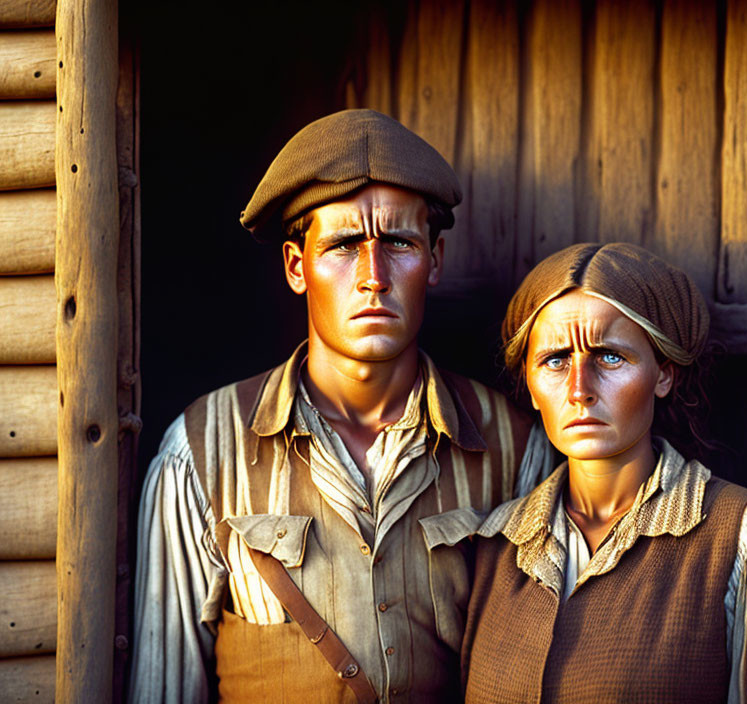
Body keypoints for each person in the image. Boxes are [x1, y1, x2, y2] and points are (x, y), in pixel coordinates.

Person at [129, 109, 552, 704]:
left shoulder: (515, 447)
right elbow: (164, 687)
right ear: (297, 267)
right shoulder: (199, 452)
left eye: (399, 243)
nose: (373, 277)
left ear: (435, 260)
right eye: (344, 245)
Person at [461, 242, 747, 703]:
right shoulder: (494, 547)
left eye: (609, 356)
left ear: (663, 374)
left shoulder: (744, 536)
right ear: (529, 385)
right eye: (555, 360)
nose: (579, 390)